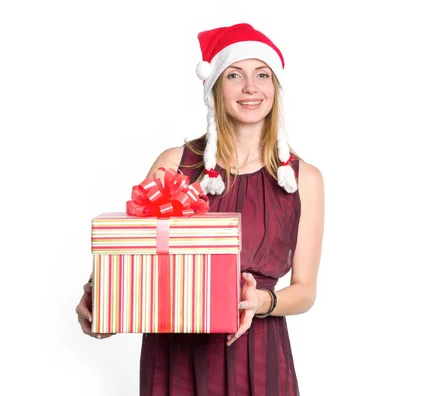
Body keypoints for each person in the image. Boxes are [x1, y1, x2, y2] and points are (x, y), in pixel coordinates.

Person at [75, 22, 325, 395]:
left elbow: (304, 292)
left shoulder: (304, 179)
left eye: (262, 75)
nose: (250, 88)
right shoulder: (175, 163)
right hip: (177, 360)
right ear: (214, 88)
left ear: (275, 88)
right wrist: (99, 295)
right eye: (235, 75)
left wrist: (260, 301)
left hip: (258, 357)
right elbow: (131, 253)